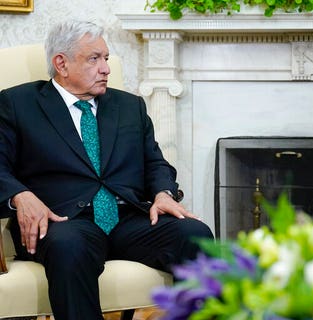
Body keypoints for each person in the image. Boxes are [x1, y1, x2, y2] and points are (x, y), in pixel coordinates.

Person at [0, 20, 213, 319]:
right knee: (69, 246)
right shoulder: (17, 104)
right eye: (94, 59)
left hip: (128, 220)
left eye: (106, 58)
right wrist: (20, 195)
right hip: (64, 221)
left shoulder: (130, 106)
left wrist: (164, 194)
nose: (106, 69)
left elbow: (155, 163)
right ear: (61, 63)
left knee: (196, 234)